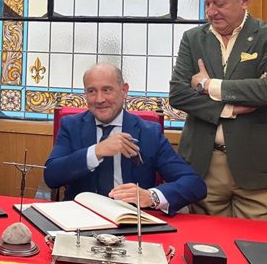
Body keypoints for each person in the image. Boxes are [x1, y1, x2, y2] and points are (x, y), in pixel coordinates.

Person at [169, 0, 267, 220]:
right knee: (207, 249)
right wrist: (228, 108)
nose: (211, 12)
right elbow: (179, 94)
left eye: (219, 4)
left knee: (256, 249)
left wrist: (207, 86)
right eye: (207, 4)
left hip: (258, 167)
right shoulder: (193, 39)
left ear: (245, 0)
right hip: (204, 164)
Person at [45, 64, 206, 215]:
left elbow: (194, 184)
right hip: (80, 218)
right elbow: (51, 176)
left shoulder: (148, 132)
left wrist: (151, 197)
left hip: (131, 220)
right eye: (92, 91)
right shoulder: (71, 126)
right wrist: (97, 151)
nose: (99, 99)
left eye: (107, 90)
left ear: (124, 90)